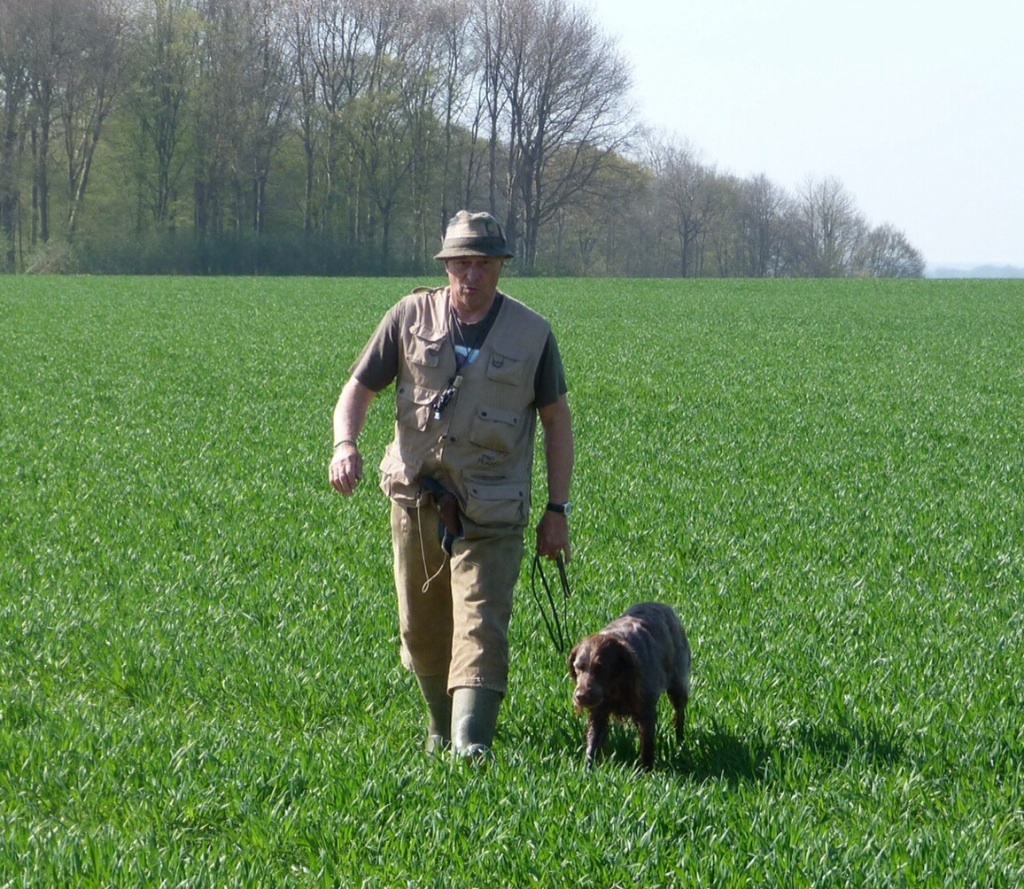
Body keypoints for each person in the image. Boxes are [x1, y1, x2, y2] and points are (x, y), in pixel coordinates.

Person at [328, 210, 574, 763]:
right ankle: (440, 729)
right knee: (422, 629)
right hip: (417, 502)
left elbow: (558, 422)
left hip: (493, 513)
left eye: (483, 263)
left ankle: (471, 746)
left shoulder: (533, 335)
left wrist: (557, 509)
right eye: (461, 263)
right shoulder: (409, 316)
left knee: (481, 626)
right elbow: (357, 389)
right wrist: (345, 445)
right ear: (446, 266)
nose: (472, 275)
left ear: (501, 267)